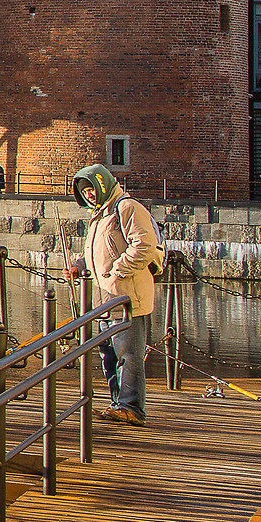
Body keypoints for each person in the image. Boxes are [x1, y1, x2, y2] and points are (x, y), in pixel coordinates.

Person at [65, 162, 159, 427]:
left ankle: (132, 407)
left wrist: (117, 272)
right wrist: (79, 266)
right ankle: (118, 403)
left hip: (126, 297)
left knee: (128, 354)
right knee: (110, 354)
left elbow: (145, 245)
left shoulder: (127, 208)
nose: (89, 194)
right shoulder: (99, 216)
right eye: (84, 191)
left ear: (103, 184)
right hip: (105, 299)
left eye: (92, 188)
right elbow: (99, 253)